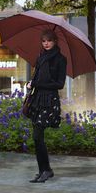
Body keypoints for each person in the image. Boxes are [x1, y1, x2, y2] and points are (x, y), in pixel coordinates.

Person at [27, 31, 67, 183]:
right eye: (44, 41)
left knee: (37, 135)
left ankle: (46, 170)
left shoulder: (60, 59)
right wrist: (31, 83)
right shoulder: (40, 57)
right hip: (37, 99)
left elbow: (59, 84)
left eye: (49, 40)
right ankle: (43, 170)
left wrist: (37, 84)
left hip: (49, 100)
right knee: (37, 138)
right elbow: (36, 78)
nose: (46, 43)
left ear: (55, 41)